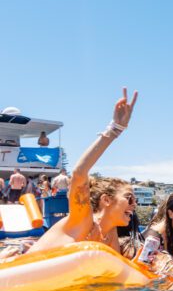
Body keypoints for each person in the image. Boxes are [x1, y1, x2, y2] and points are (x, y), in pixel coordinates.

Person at [29, 89, 139, 254]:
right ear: (106, 200)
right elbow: (80, 173)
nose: (134, 204)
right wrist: (114, 129)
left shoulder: (110, 233)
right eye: (129, 198)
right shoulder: (83, 220)